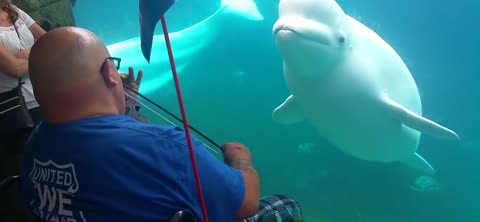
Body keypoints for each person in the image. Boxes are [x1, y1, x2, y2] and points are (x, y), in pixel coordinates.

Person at [20, 26, 303, 221]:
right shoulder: (166, 147)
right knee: (285, 206)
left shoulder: (34, 145)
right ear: (109, 72)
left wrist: (124, 104)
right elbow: (246, 203)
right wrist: (242, 161)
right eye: (113, 66)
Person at [0, 0, 47, 222]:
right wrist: (32, 54)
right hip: (14, 110)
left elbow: (50, 42)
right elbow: (13, 70)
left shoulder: (16, 12)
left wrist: (20, 55)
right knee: (29, 170)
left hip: (42, 97)